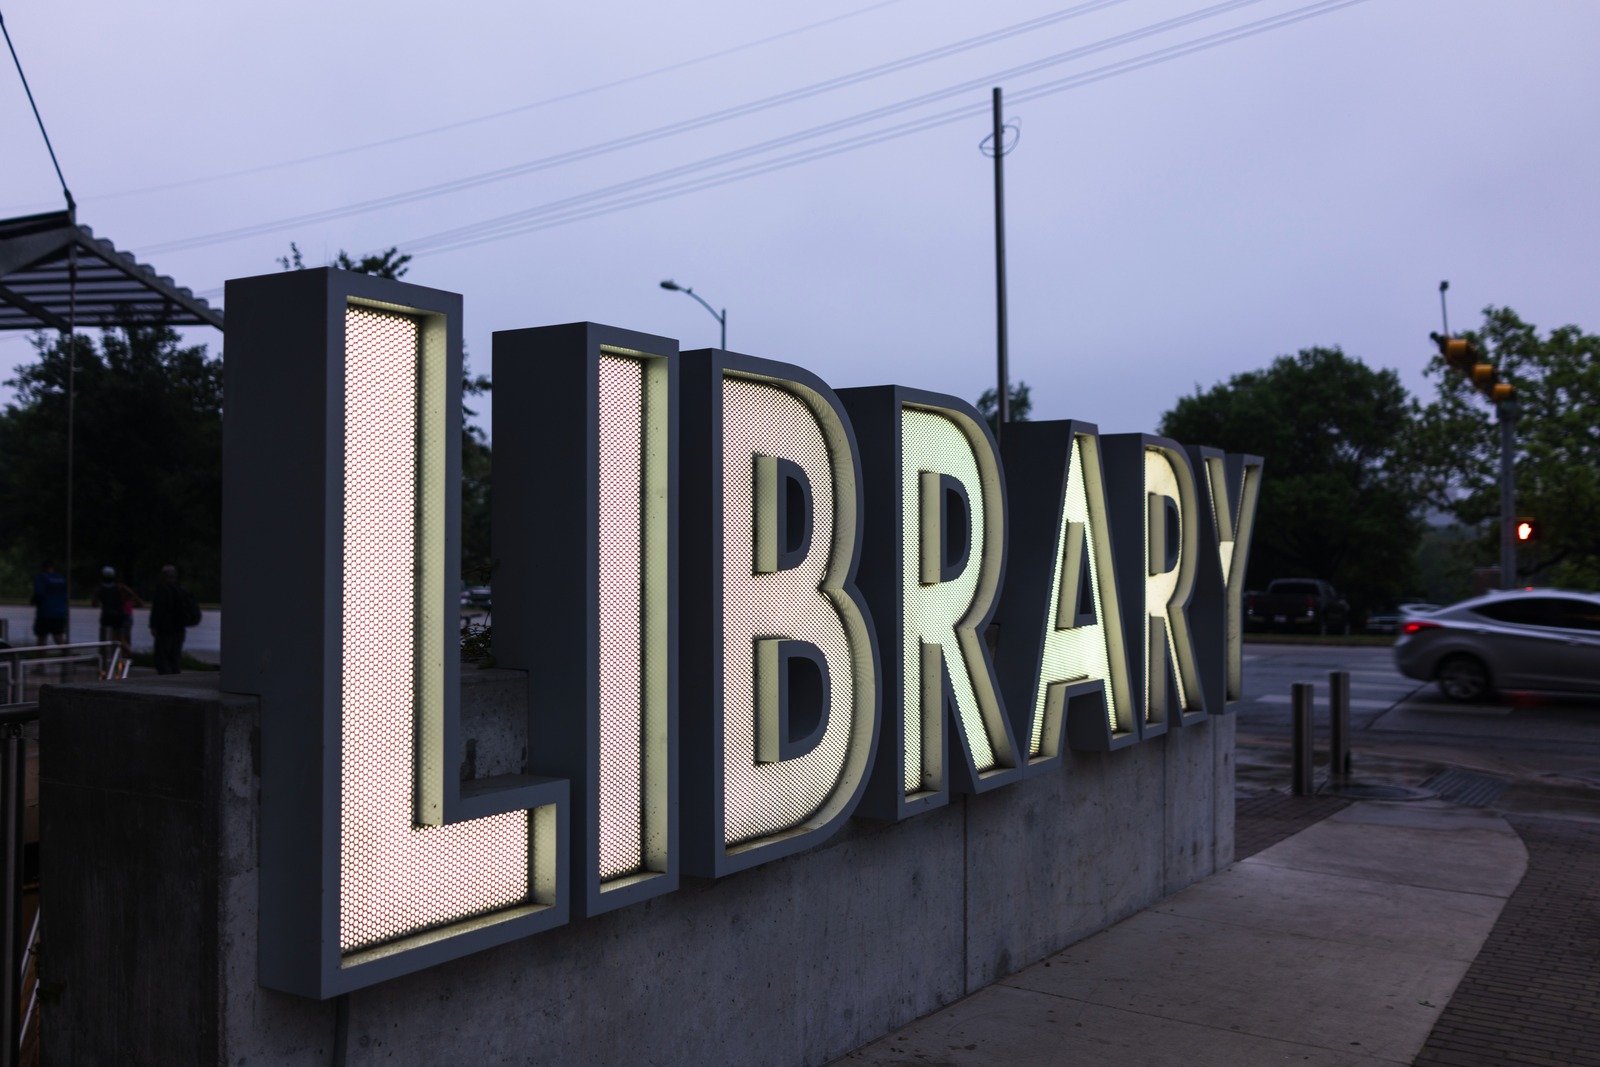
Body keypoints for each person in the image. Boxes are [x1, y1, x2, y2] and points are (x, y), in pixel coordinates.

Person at [148, 564, 200, 675]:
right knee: (175, 658)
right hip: (180, 629)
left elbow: (158, 609)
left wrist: (154, 626)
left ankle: (166, 680)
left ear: (163, 575)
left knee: (161, 657)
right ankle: (175, 679)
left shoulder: (162, 589)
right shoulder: (181, 589)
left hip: (165, 630)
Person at [90, 566, 142, 657]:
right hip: (119, 616)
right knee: (121, 638)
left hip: (107, 617)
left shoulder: (100, 589)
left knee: (105, 640)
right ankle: (127, 655)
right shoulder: (119, 587)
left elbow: (94, 604)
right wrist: (126, 600)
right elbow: (133, 595)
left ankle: (105, 660)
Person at [29, 560, 69, 646]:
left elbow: (39, 593)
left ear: (42, 568)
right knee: (58, 637)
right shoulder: (61, 578)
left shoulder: (41, 578)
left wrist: (33, 601)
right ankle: (68, 656)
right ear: (52, 567)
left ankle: (41, 658)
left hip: (45, 612)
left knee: (42, 638)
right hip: (60, 612)